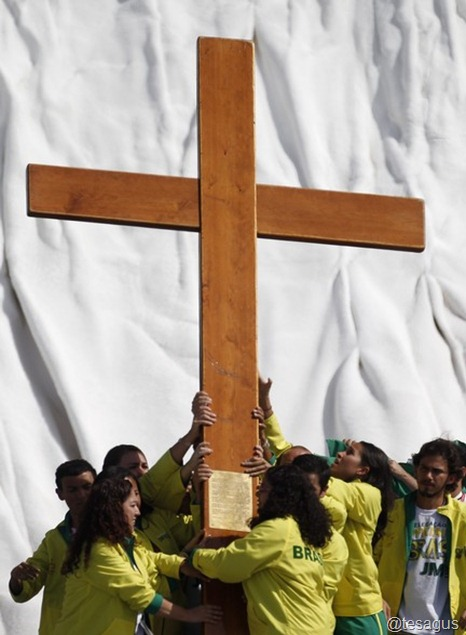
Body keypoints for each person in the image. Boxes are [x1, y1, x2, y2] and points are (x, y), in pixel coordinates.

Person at [53, 474, 222, 635]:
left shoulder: (127, 541)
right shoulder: (98, 550)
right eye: (132, 506)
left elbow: (153, 559)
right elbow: (140, 595)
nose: (138, 512)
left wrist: (183, 566)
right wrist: (190, 615)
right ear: (114, 509)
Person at [188, 463, 333, 635]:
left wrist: (196, 556)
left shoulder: (278, 529)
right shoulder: (305, 532)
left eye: (263, 488)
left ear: (278, 494)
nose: (257, 492)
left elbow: (228, 566)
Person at [376, 438, 466, 634]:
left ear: (452, 478)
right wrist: (376, 596)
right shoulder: (394, 513)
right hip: (398, 625)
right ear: (415, 469)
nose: (428, 476)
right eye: (424, 468)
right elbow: (370, 560)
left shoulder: (462, 518)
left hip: (446, 627)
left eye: (437, 471)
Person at [9, 458, 97, 635]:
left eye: (87, 487)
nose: (81, 495)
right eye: (73, 490)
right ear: (60, 493)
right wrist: (17, 580)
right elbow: (27, 587)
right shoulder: (54, 539)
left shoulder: (117, 532)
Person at [293, 453, 349, 631]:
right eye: (296, 485)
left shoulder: (334, 540)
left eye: (309, 489)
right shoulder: (270, 519)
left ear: (323, 492)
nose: (300, 494)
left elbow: (320, 590)